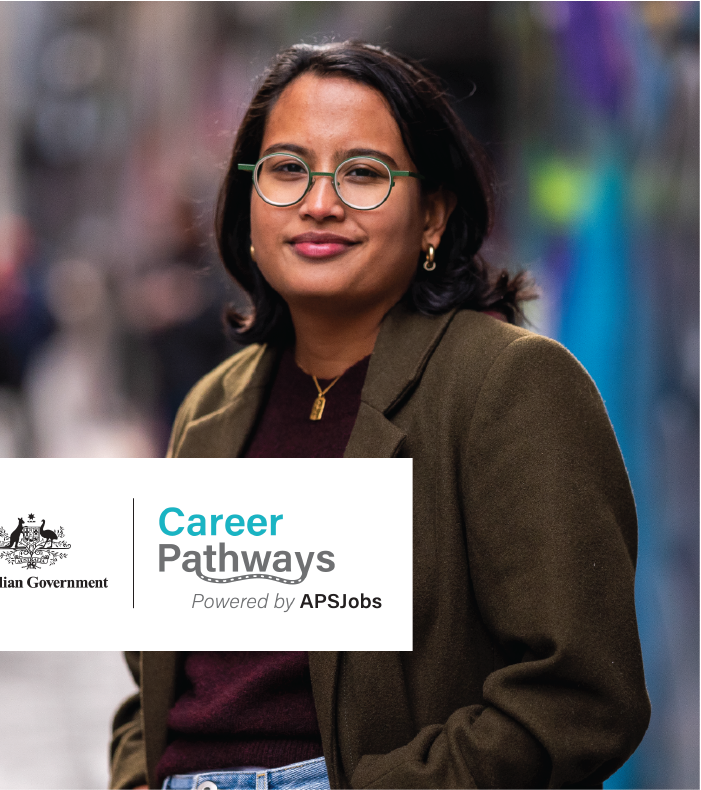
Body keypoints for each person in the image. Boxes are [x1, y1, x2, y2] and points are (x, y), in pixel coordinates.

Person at [110, 42, 650, 790]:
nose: (318, 201)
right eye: (287, 169)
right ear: (248, 203)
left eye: (362, 173)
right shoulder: (211, 407)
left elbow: (579, 697)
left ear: (432, 215)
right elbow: (156, 685)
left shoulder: (512, 385)